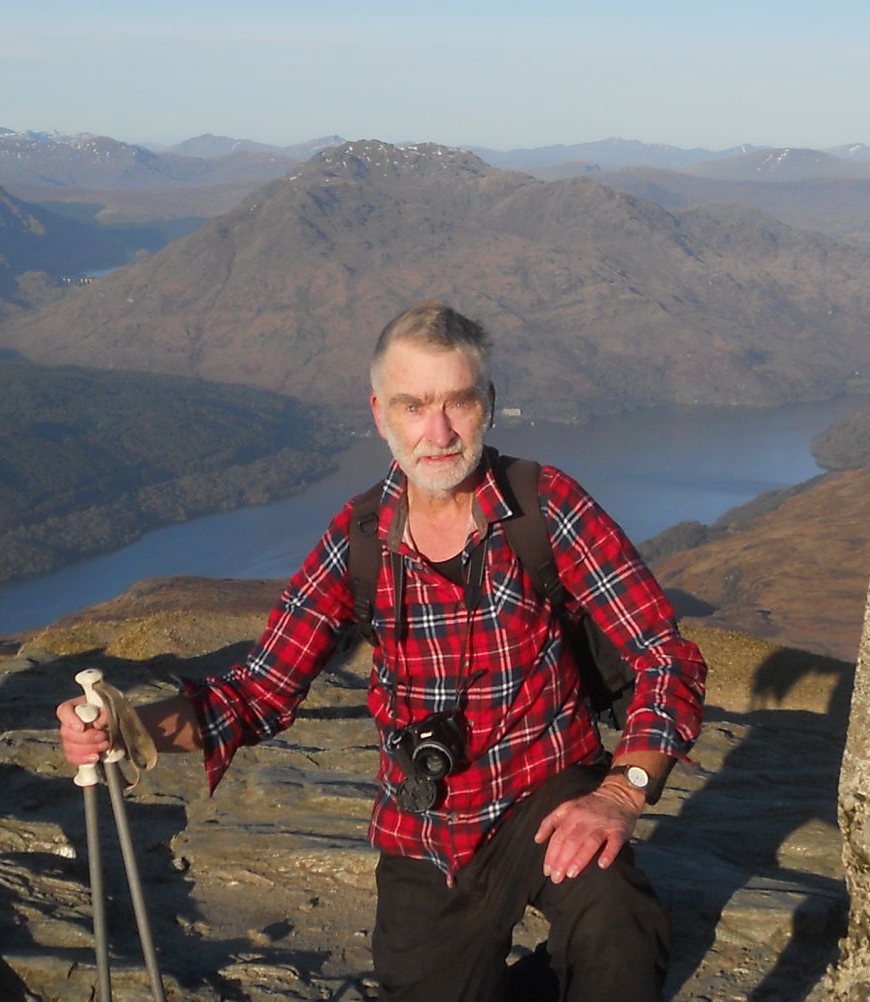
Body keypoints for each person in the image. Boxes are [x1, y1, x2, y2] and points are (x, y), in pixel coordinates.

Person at [57, 301, 708, 1001]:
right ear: (380, 413)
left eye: (458, 402)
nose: (438, 431)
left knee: (618, 928)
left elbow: (663, 656)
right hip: (425, 824)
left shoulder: (546, 506)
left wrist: (621, 791)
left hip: (547, 789)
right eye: (413, 406)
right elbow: (258, 690)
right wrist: (124, 726)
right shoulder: (359, 538)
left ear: (489, 403)